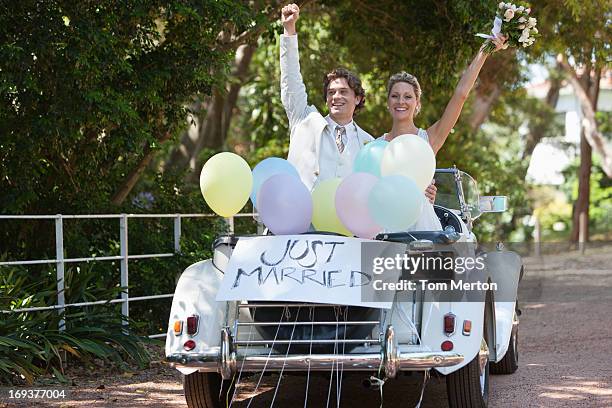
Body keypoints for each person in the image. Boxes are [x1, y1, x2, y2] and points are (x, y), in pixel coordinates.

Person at [381, 35, 508, 230]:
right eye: (395, 96)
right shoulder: (376, 145)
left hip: (421, 224)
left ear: (417, 104)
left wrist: (485, 51)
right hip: (387, 225)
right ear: (388, 102)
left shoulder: (428, 140)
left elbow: (461, 94)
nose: (401, 101)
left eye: (408, 96)